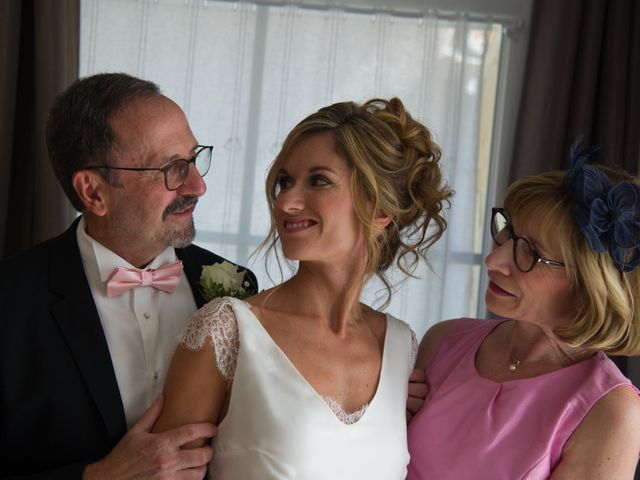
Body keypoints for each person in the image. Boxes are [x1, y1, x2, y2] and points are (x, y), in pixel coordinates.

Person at [153, 97, 452, 478]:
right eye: (284, 182)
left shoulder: (401, 346)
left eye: (319, 181)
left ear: (380, 210)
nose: (287, 203)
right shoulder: (226, 330)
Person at [0, 72, 257, 479]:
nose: (198, 185)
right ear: (94, 192)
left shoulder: (237, 287)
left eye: (193, 159)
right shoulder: (9, 302)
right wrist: (98, 477)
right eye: (172, 168)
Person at [407, 142, 640, 479]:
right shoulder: (444, 340)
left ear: (589, 284)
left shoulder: (610, 412)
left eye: (529, 253)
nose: (494, 261)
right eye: (507, 233)